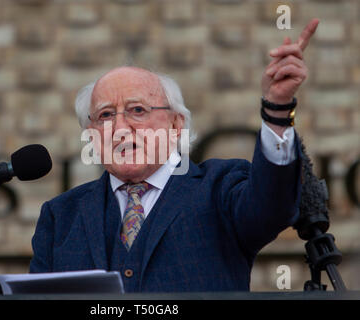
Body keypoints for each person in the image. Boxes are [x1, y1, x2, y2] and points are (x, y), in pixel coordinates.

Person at [30, 20, 319, 292]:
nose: (119, 128)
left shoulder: (220, 188)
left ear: (175, 124)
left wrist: (277, 109)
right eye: (105, 115)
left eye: (138, 110)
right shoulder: (61, 216)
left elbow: (272, 208)